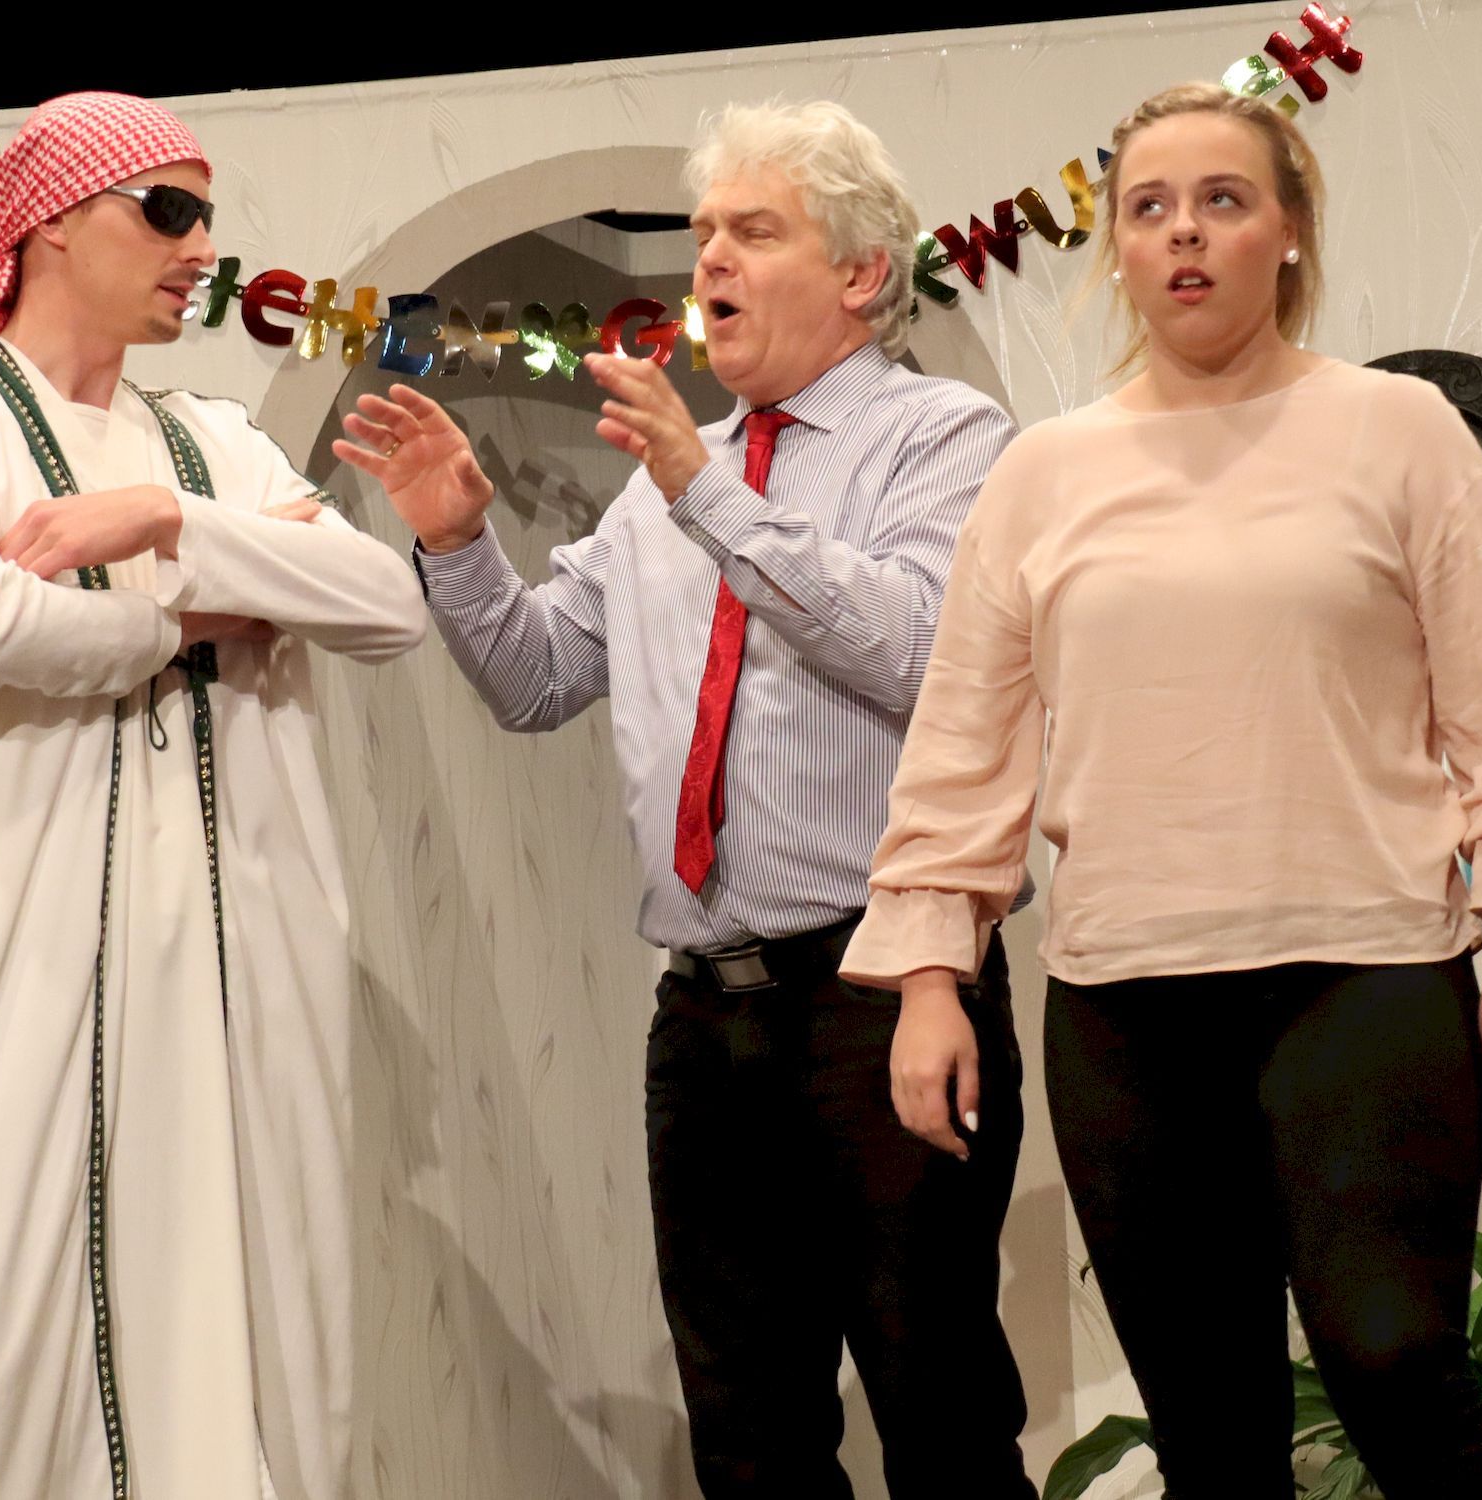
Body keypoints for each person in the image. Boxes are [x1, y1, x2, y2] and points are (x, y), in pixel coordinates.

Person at [840, 81, 1482, 1500]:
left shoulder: (1402, 431)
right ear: (1119, 249)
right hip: (1125, 1006)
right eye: (1148, 208)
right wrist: (931, 980)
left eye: (1221, 200)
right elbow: (962, 745)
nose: (1182, 232)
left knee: (1395, 1363)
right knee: (1211, 1434)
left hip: (1366, 975)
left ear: (1288, 232)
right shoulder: (1043, 473)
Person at [334, 100, 1033, 1499]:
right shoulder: (668, 482)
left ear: (861, 274)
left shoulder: (942, 436)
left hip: (884, 993)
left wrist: (704, 488)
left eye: (752, 231)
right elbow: (536, 678)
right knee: (748, 1440)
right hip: (703, 1022)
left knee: (941, 1421)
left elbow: (913, 650)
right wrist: (458, 544)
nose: (709, 255)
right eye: (705, 229)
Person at [0, 91, 425, 1500]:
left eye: (207, 217)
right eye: (166, 211)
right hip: (5, 977)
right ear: (47, 224)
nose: (199, 247)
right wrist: (196, 612)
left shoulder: (211, 443)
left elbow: (385, 603)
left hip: (240, 976)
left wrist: (161, 523)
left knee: (258, 1328)